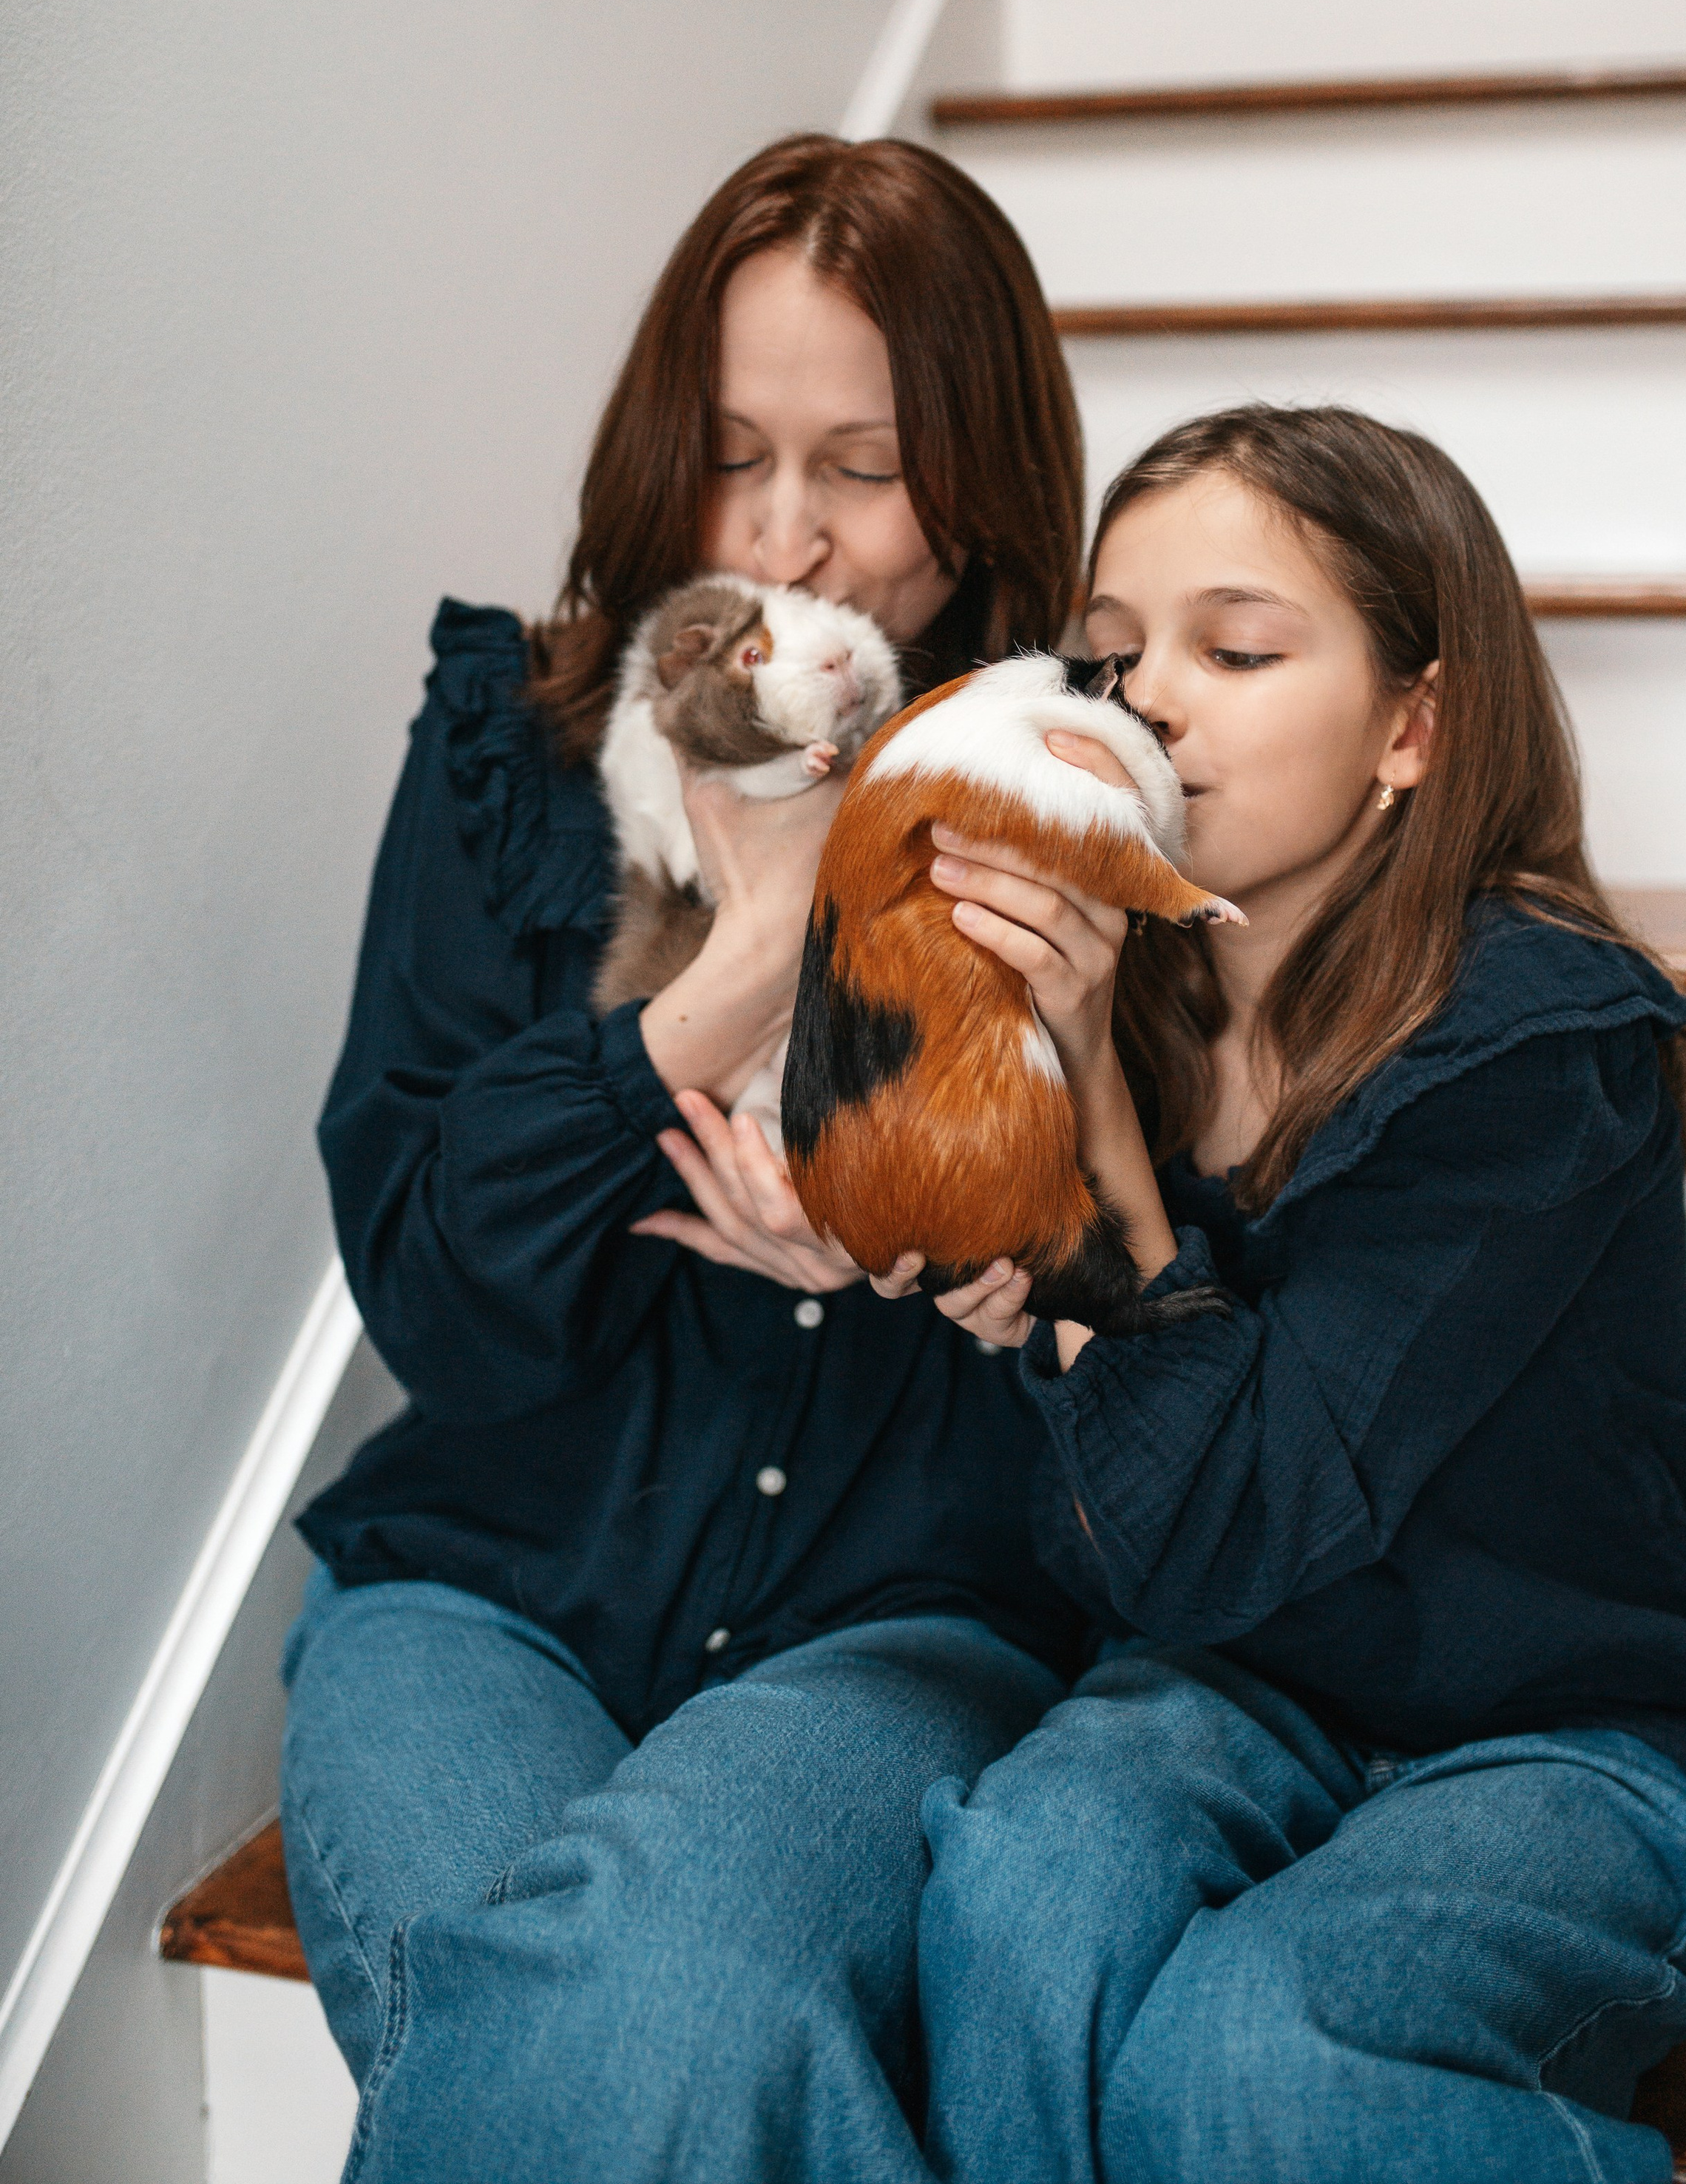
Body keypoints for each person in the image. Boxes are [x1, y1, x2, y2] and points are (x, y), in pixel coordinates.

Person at [871, 405, 1686, 2184]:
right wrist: (1021, 1272)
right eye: (1109, 654)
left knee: (1253, 2046)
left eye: (1234, 648)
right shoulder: (1138, 997)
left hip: (1578, 1720)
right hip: (1253, 1684)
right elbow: (1119, 1546)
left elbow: (1228, 1513)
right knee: (1018, 1884)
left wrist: (1094, 1170)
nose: (1145, 698)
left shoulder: (1540, 1041)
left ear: (1413, 724)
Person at [280, 134, 1095, 2184]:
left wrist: (936, 1254)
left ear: (981, 485)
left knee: (660, 1998)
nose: (790, 540)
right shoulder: (515, 743)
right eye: (735, 454)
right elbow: (442, 1293)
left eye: (865, 464)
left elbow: (1159, 1319)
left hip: (893, 1624)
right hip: (485, 1599)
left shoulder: (1082, 794)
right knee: (616, 2017)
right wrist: (750, 950)